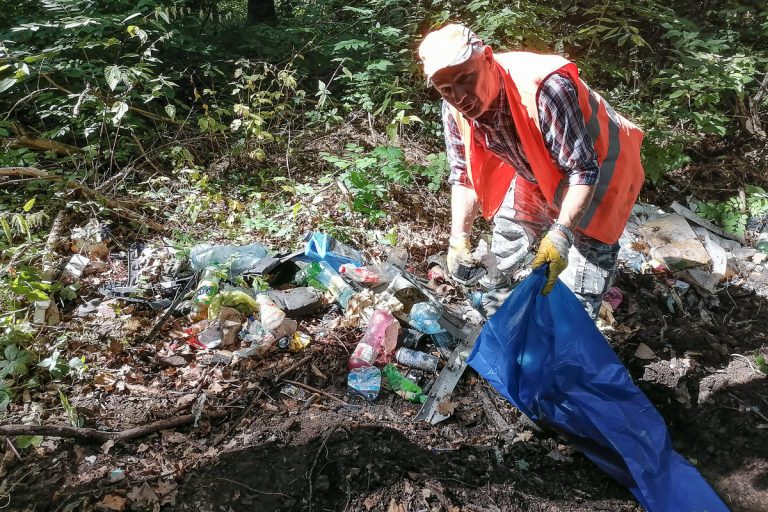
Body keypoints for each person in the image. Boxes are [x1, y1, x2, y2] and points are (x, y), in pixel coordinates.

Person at [418, 24, 645, 318]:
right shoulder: (453, 108)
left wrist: (561, 234)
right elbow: (463, 176)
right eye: (446, 89)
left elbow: (582, 170)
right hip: (537, 166)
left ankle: (567, 335)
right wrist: (458, 237)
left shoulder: (545, 87)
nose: (460, 97)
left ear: (487, 58)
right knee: (509, 240)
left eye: (466, 79)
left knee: (578, 285)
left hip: (601, 169)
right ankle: (504, 317)